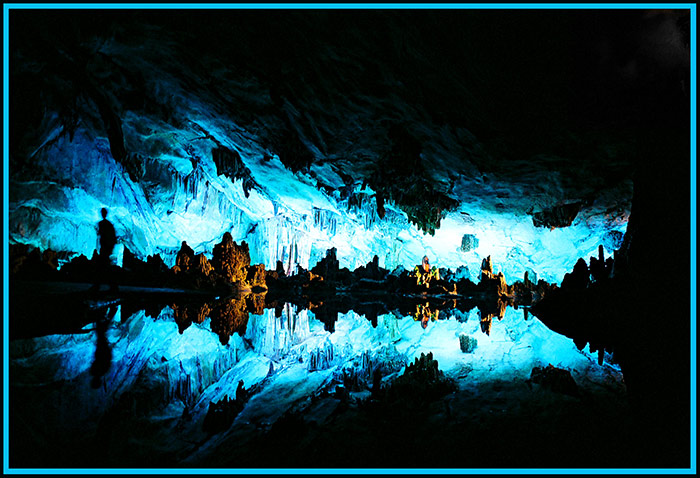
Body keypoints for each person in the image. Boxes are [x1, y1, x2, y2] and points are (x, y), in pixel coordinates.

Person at [91, 208, 118, 292]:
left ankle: (100, 286)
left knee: (102, 267)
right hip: (106, 248)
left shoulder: (103, 224)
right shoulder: (108, 224)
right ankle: (110, 286)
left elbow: (104, 235)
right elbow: (113, 237)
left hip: (105, 248)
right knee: (104, 267)